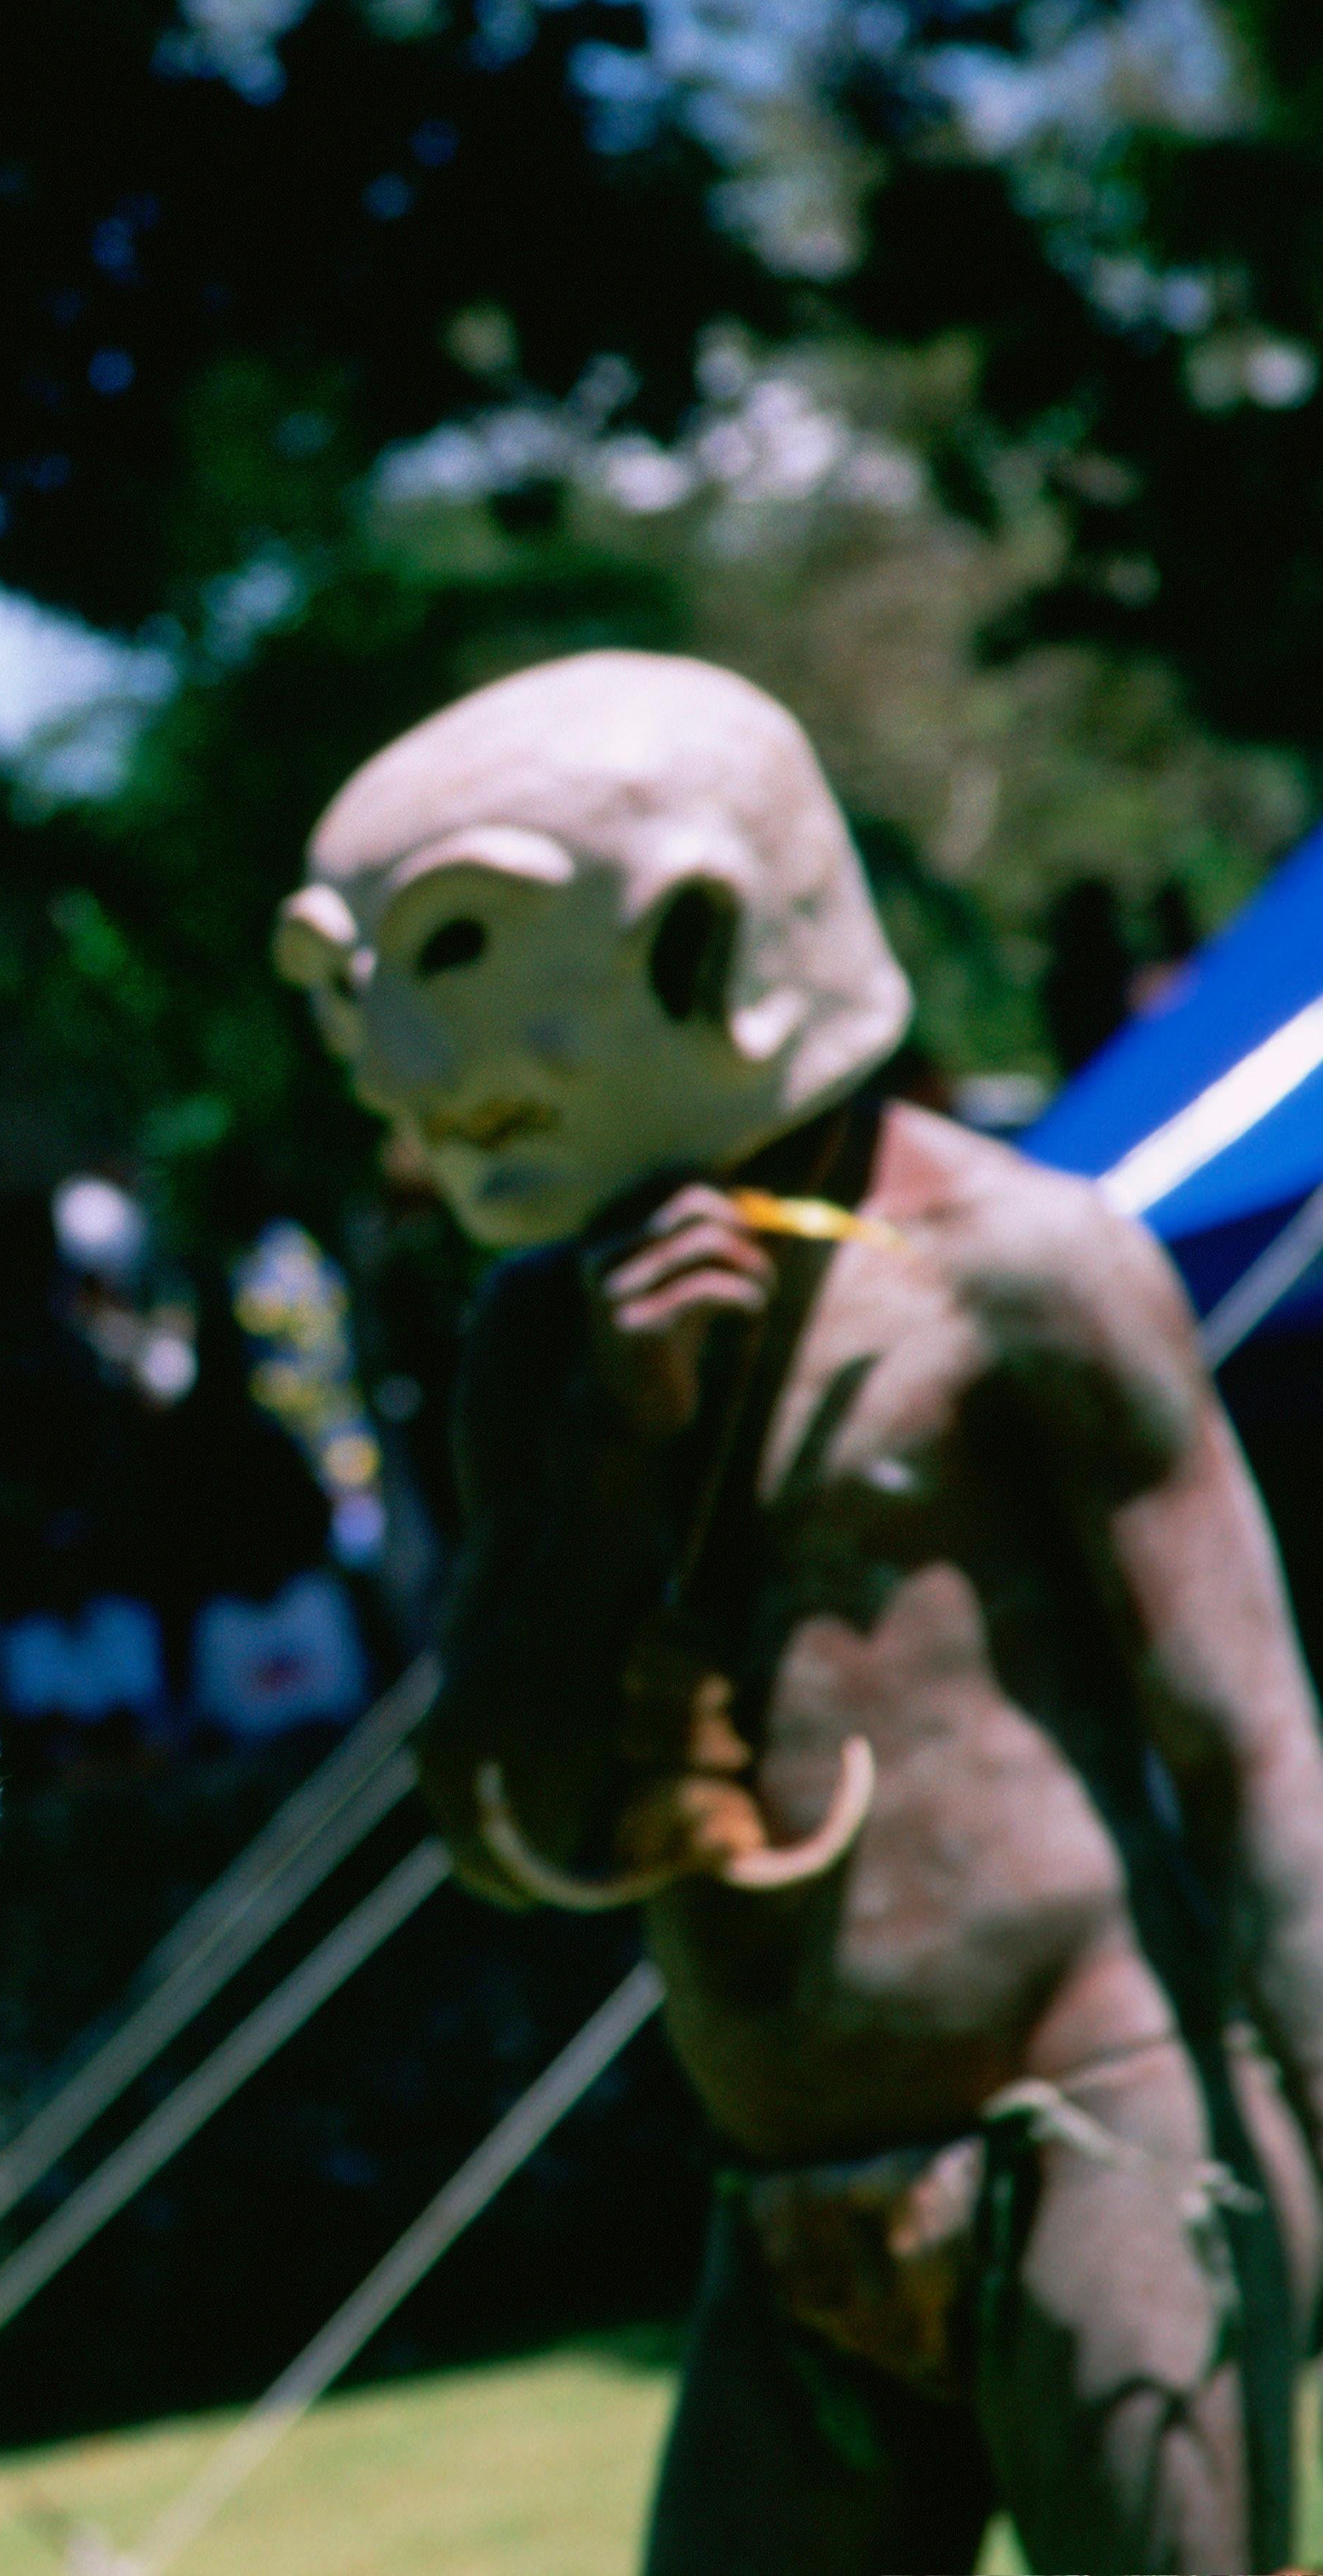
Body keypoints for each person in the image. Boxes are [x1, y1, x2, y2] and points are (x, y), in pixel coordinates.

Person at [274, 650, 1323, 2572]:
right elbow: (498, 1812)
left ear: (704, 939)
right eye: (356, 988)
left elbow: (1249, 1735)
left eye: (453, 956)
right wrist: (605, 1445)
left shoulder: (1025, 1266)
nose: (397, 1070)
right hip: (780, 2197)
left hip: (1095, 2132)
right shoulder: (536, 1336)